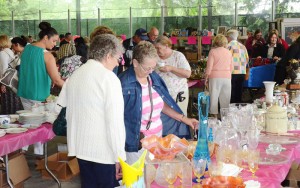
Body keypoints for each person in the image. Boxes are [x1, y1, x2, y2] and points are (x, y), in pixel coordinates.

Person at [57, 34, 126, 188]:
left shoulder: (75, 74)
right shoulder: (109, 78)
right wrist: (119, 155)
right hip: (104, 151)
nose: (117, 64)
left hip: (81, 148)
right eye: (117, 59)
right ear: (108, 56)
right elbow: (114, 122)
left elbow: (61, 105)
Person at [118, 41, 198, 164]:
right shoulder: (124, 84)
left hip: (157, 141)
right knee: (138, 181)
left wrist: (184, 118)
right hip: (136, 145)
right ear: (135, 63)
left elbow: (161, 104)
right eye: (147, 68)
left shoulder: (153, 77)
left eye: (153, 67)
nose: (151, 71)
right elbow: (116, 119)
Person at [17, 22, 64, 154]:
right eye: (53, 40)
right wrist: (70, 86)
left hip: (24, 91)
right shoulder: (47, 55)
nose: (54, 44)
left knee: (27, 122)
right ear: (45, 38)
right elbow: (56, 79)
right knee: (38, 125)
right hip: (38, 94)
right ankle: (38, 154)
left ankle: (23, 149)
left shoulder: (26, 49)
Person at [154, 36, 191, 115]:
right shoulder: (155, 57)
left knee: (180, 116)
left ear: (166, 46)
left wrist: (171, 69)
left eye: (158, 48)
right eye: (155, 48)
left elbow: (187, 74)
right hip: (161, 94)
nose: (156, 51)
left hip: (178, 93)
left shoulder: (178, 56)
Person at [205, 34, 233, 116]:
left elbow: (209, 67)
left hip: (215, 77)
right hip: (227, 77)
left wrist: (206, 78)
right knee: (225, 100)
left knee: (214, 98)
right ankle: (225, 120)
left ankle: (214, 119)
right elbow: (231, 67)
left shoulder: (212, 51)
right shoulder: (228, 52)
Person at [0, 35, 24, 114]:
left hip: (6, 83)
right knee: (15, 102)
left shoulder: (3, 53)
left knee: (7, 103)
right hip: (14, 82)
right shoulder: (11, 53)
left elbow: (3, 70)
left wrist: (2, 84)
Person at [226, 30, 249, 103]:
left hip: (232, 72)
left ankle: (231, 110)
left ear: (229, 37)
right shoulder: (243, 46)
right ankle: (238, 108)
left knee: (231, 93)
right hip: (242, 72)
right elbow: (247, 59)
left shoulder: (228, 46)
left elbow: (226, 59)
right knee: (239, 93)